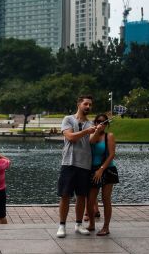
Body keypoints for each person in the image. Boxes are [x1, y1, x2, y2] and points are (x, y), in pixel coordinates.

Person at [57, 95, 100, 238]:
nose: (88, 107)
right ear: (79, 104)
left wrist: (97, 131)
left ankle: (78, 224)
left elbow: (92, 142)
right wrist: (87, 132)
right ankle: (62, 225)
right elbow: (70, 137)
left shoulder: (91, 124)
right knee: (64, 195)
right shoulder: (68, 119)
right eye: (86, 104)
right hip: (68, 163)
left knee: (81, 196)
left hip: (84, 164)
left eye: (90, 105)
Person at [85, 114, 119, 236]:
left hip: (107, 169)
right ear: (95, 122)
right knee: (90, 200)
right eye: (99, 121)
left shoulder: (109, 136)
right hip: (93, 169)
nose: (101, 124)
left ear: (107, 125)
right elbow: (91, 141)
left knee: (106, 199)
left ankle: (106, 227)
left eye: (104, 122)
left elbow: (111, 155)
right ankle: (92, 224)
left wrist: (101, 169)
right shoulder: (92, 134)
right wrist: (96, 131)